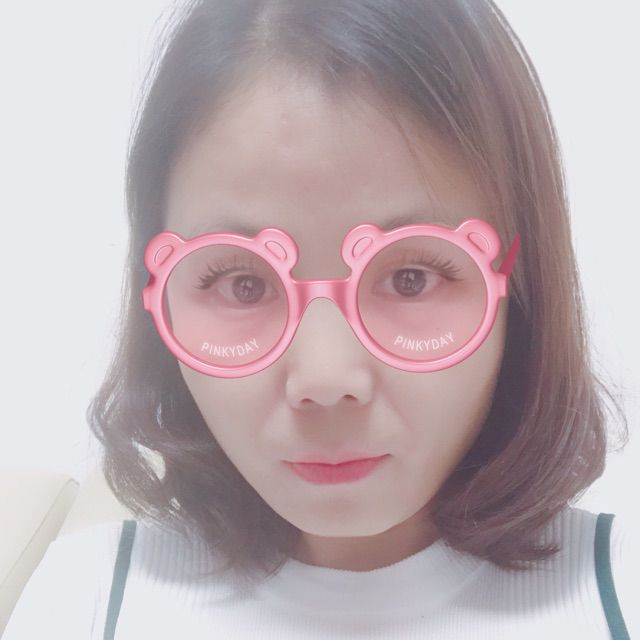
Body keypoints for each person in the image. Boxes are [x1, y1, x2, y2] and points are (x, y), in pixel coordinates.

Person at [4, 0, 636, 638]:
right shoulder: (86, 597)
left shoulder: (620, 588)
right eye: (244, 284)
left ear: (518, 283)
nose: (325, 379)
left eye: (410, 278)